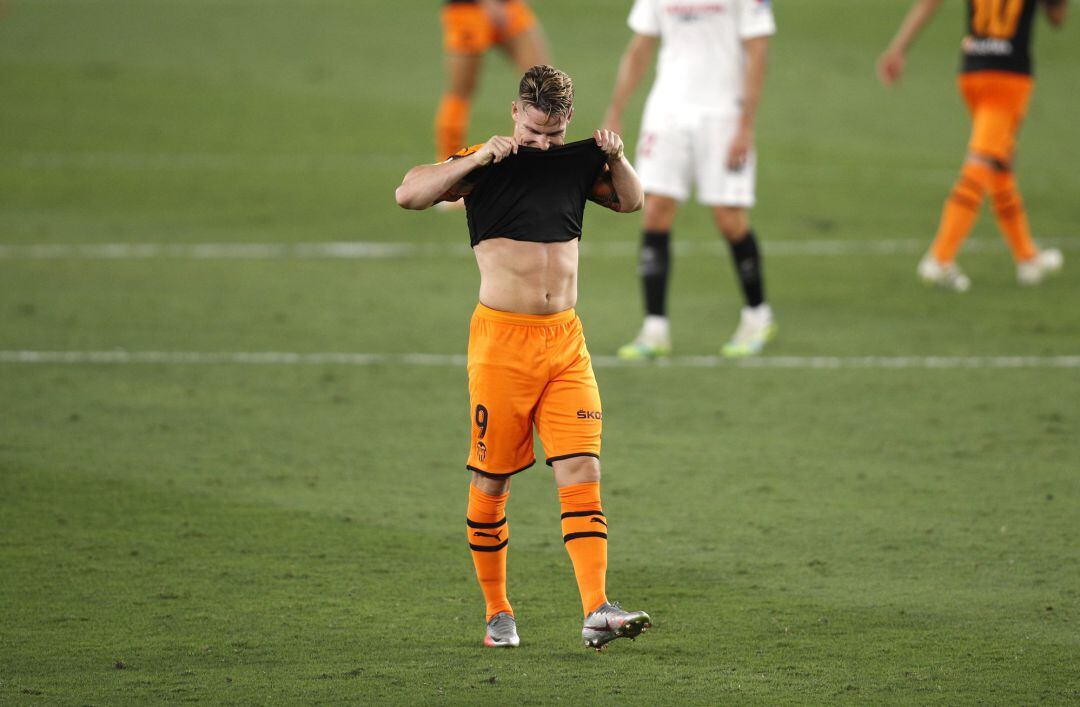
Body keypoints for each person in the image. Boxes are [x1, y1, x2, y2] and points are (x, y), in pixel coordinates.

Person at [396, 65, 652, 650]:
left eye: (554, 136)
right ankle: (497, 613)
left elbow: (632, 202)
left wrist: (617, 156)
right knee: (491, 480)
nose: (542, 146)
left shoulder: (576, 162)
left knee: (582, 470)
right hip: (501, 346)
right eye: (534, 132)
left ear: (567, 124)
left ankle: (596, 610)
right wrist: (476, 159)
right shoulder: (486, 165)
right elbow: (409, 192)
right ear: (515, 112)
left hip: (565, 342)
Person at [604, 0, 778, 360]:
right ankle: (654, 330)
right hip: (667, 112)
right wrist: (616, 109)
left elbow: (758, 52)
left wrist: (746, 125)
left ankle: (758, 316)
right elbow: (639, 47)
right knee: (655, 212)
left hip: (724, 115)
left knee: (729, 217)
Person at [878, 0, 1067, 292]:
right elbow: (1057, 16)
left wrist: (899, 47)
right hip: (1009, 76)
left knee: (999, 162)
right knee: (981, 162)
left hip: (972, 72)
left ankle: (1027, 258)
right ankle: (940, 257)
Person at [436, 0, 550, 164]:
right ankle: (448, 165)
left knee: (541, 80)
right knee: (461, 90)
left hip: (509, 6)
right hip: (468, 8)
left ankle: (521, 158)